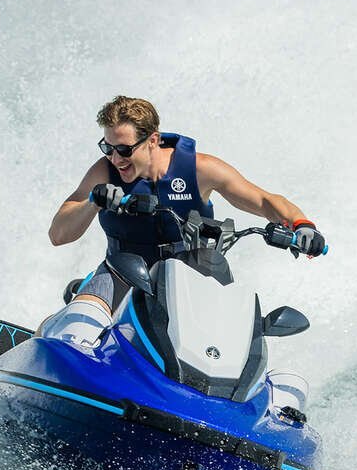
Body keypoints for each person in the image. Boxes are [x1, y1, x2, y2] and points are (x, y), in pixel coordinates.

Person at [41, 95, 326, 345]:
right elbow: (59, 234)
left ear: (153, 140)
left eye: (125, 150)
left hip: (191, 281)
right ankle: (45, 340)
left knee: (228, 344)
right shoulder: (103, 173)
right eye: (108, 148)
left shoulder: (199, 169)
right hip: (120, 275)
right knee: (75, 326)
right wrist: (93, 201)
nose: (116, 159)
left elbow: (264, 200)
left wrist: (301, 225)